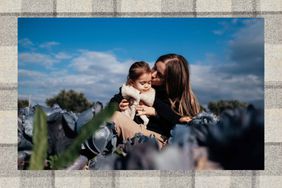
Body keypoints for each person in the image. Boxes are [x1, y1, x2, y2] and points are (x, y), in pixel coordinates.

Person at [110, 53, 201, 149]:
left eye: (159, 75)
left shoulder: (179, 101)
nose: (153, 74)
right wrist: (119, 104)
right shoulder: (142, 86)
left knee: (115, 118)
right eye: (154, 68)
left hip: (159, 141)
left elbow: (180, 129)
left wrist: (156, 113)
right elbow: (115, 99)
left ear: (170, 81)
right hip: (136, 131)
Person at [120, 61, 155, 128]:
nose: (146, 86)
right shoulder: (128, 90)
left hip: (145, 126)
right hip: (127, 122)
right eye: (142, 83)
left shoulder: (151, 93)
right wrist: (120, 104)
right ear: (132, 82)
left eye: (149, 82)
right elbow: (116, 100)